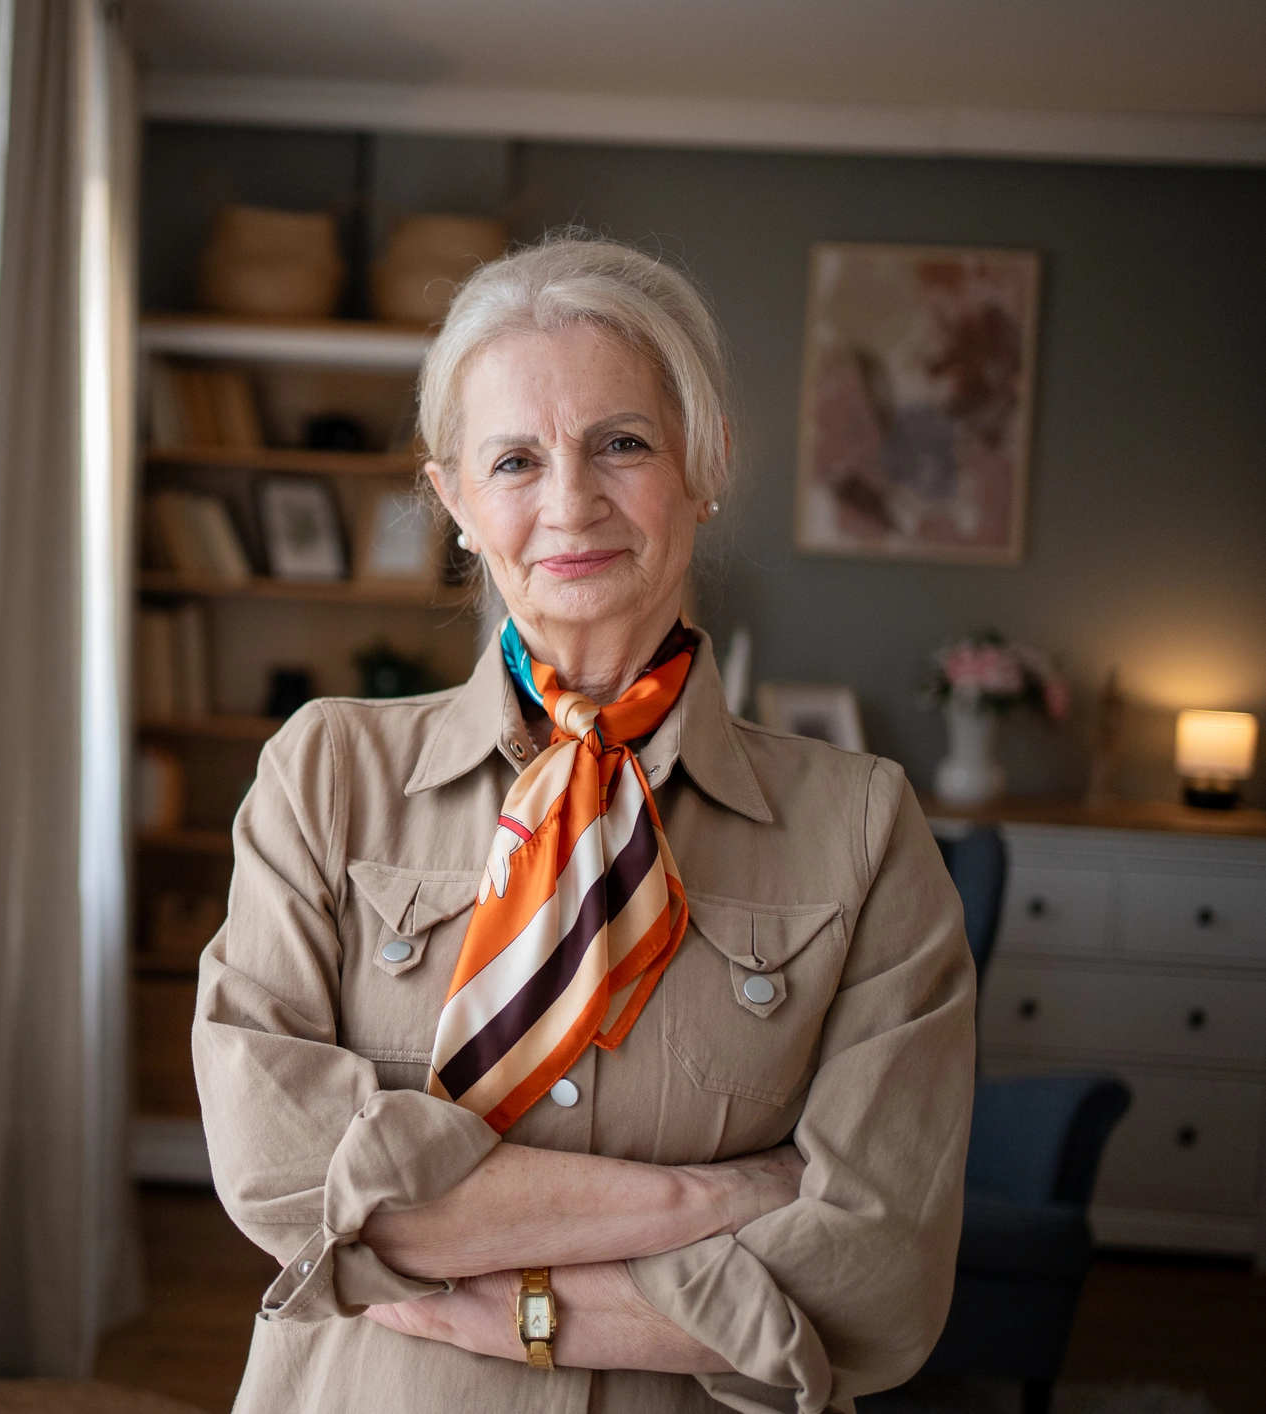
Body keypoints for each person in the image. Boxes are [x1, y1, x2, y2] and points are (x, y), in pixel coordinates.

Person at [191, 233, 977, 1414]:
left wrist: (485, 1295)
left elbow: (878, 1281)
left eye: (621, 443)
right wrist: (718, 1201)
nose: (570, 502)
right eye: (514, 459)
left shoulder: (863, 830)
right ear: (454, 500)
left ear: (702, 469)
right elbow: (280, 1176)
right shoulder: (324, 774)